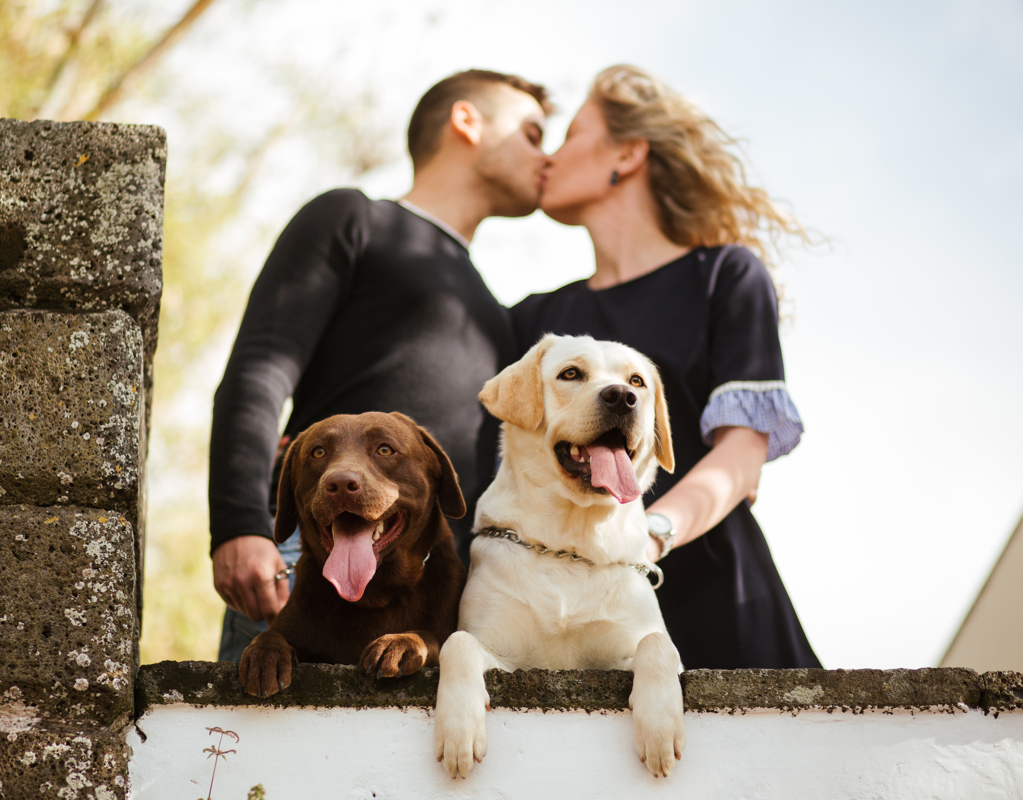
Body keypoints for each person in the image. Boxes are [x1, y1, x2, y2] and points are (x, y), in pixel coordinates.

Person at [210, 69, 552, 661]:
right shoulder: (355, 219)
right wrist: (240, 525)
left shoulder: (497, 312)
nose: (546, 157)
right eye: (532, 134)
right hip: (309, 561)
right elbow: (261, 367)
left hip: (434, 594)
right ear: (467, 121)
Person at [512, 64, 821, 669]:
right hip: (570, 618)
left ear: (626, 154)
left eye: (571, 135)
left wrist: (649, 535)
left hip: (718, 601)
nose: (549, 157)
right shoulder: (533, 320)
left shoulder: (726, 276)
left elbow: (741, 454)